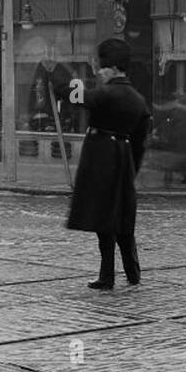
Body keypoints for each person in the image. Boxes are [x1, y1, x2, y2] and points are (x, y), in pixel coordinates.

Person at [66, 38, 152, 291]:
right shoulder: (138, 100)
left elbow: (80, 98)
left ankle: (107, 276)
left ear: (112, 68)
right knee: (124, 221)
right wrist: (131, 170)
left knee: (104, 222)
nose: (99, 72)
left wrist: (61, 84)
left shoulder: (107, 93)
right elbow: (140, 142)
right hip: (124, 160)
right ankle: (133, 272)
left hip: (102, 160)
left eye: (102, 68)